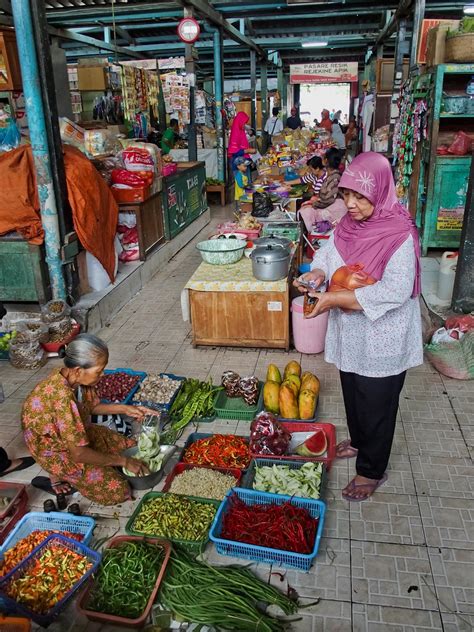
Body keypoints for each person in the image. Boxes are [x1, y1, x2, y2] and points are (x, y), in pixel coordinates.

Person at [294, 152, 423, 502]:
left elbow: (395, 290)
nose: (350, 204)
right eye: (346, 194)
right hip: (352, 333)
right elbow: (327, 253)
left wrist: (334, 300)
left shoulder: (399, 234)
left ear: (380, 193)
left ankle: (371, 468)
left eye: (360, 197)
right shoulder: (348, 225)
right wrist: (319, 273)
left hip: (384, 336)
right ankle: (361, 440)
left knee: (377, 404)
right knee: (352, 390)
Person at [22, 334, 156, 505]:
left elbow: (90, 407)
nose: (102, 374)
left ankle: (95, 468)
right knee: (118, 491)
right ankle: (59, 475)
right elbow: (78, 454)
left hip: (71, 435)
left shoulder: (71, 376)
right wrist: (123, 461)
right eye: (99, 371)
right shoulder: (62, 399)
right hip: (56, 451)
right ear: (78, 370)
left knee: (129, 447)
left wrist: (126, 409)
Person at [299, 148, 346, 231]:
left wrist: (313, 204)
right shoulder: (330, 174)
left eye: (323, 158)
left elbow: (329, 200)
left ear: (326, 160)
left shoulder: (335, 177)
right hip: (328, 205)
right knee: (304, 208)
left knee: (305, 212)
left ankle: (311, 235)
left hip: (335, 211)